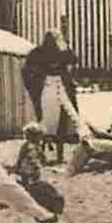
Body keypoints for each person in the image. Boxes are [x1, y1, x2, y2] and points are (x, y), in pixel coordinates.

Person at [22, 29, 81, 164]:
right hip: (45, 89)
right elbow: (27, 70)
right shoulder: (37, 53)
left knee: (62, 122)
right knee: (45, 123)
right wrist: (33, 86)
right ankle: (41, 153)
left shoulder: (63, 52)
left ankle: (58, 154)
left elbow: (74, 60)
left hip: (61, 89)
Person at [12, 122, 46, 187]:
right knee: (25, 179)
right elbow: (21, 155)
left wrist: (43, 159)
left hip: (35, 166)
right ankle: (25, 186)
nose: (40, 139)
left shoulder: (38, 146)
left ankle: (34, 188)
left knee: (36, 180)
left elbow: (40, 154)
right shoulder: (26, 145)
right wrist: (18, 165)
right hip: (26, 166)